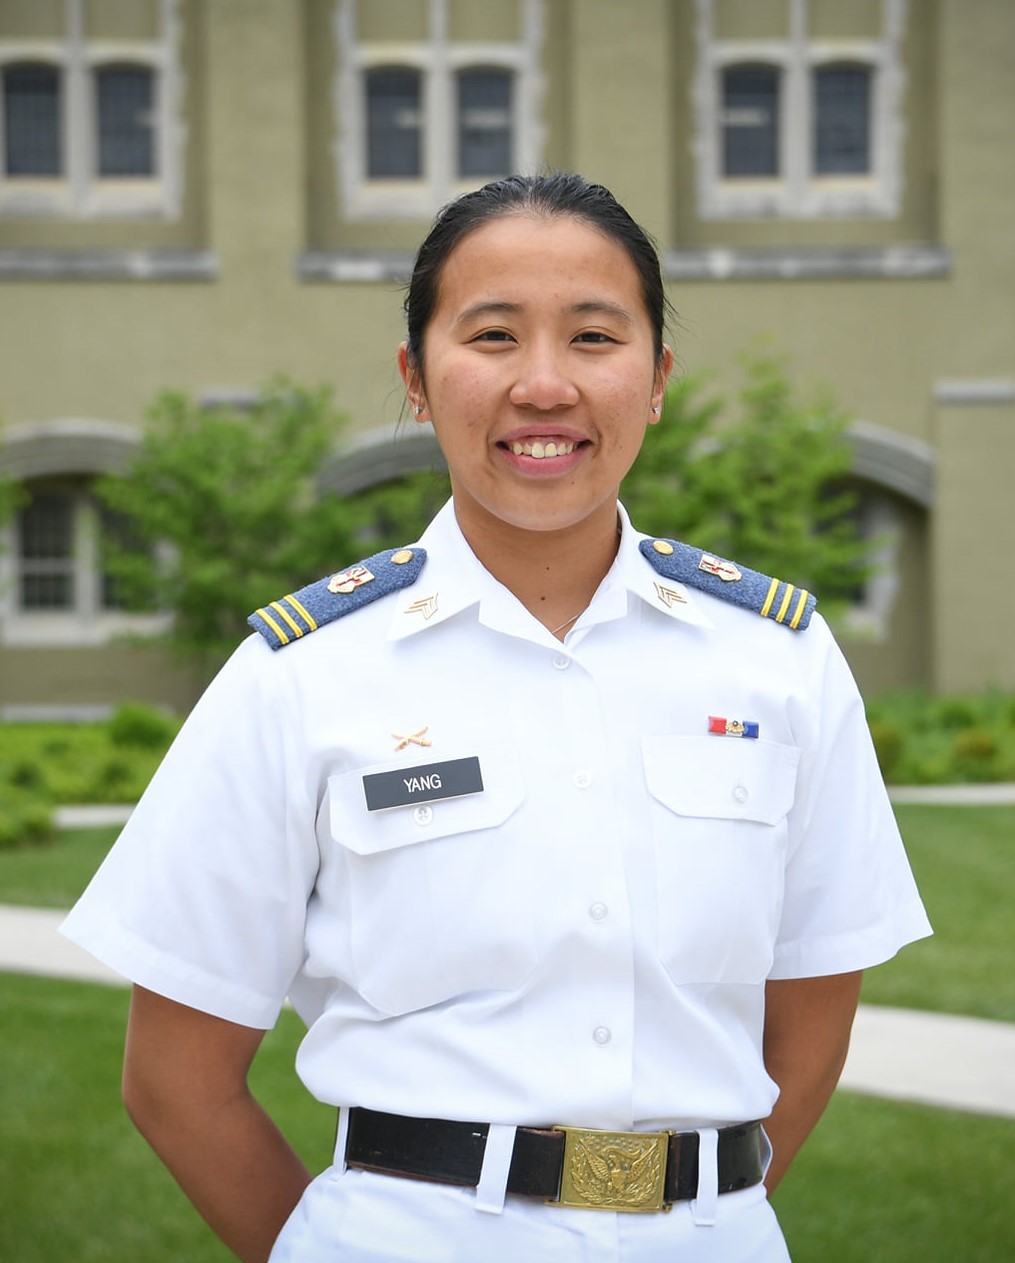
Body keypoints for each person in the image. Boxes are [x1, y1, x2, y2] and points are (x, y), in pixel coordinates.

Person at [62, 171, 931, 1263]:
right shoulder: (301, 675)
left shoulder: (778, 662)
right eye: (490, 336)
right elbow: (174, 1081)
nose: (543, 385)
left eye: (594, 338)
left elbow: (812, 1018)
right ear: (416, 380)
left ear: (657, 379)